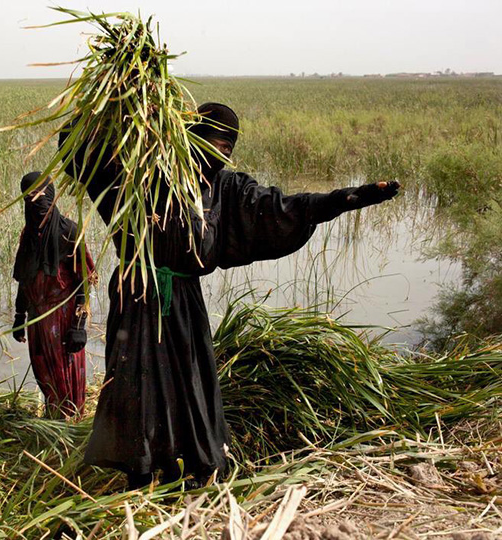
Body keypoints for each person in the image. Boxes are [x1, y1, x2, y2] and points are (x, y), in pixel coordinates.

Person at [60, 102, 400, 489]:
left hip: (184, 298)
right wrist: (120, 103)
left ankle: (186, 467)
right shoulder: (143, 173)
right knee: (134, 379)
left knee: (189, 382)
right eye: (216, 142)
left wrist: (349, 198)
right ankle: (138, 471)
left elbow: (285, 207)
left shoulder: (224, 187)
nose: (221, 154)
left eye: (228, 147)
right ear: (191, 135)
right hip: (138, 293)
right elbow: (79, 147)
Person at [12, 171, 96, 419]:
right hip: (37, 318)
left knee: (66, 374)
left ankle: (71, 423)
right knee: (43, 372)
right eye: (30, 197)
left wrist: (79, 326)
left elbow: (85, 282)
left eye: (41, 194)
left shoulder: (68, 231)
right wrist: (19, 315)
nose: (37, 201)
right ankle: (53, 419)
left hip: (62, 317)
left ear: (51, 194)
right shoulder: (28, 236)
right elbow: (24, 277)